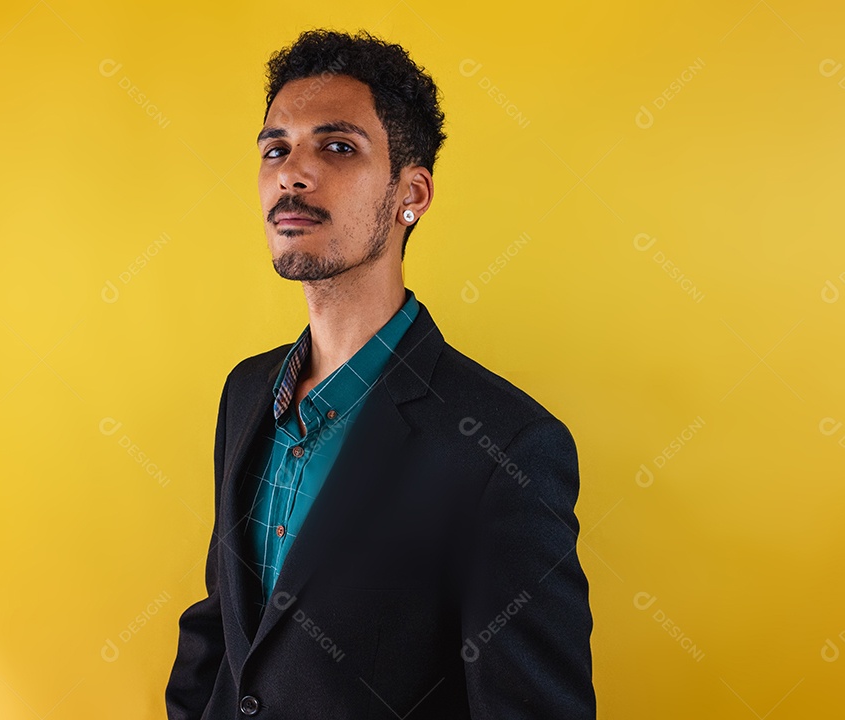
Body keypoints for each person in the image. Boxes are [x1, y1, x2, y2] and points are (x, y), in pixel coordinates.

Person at [165, 28, 597, 719]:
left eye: (337, 147)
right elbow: (223, 625)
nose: (292, 173)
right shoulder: (245, 392)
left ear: (412, 194)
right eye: (276, 148)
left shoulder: (507, 448)